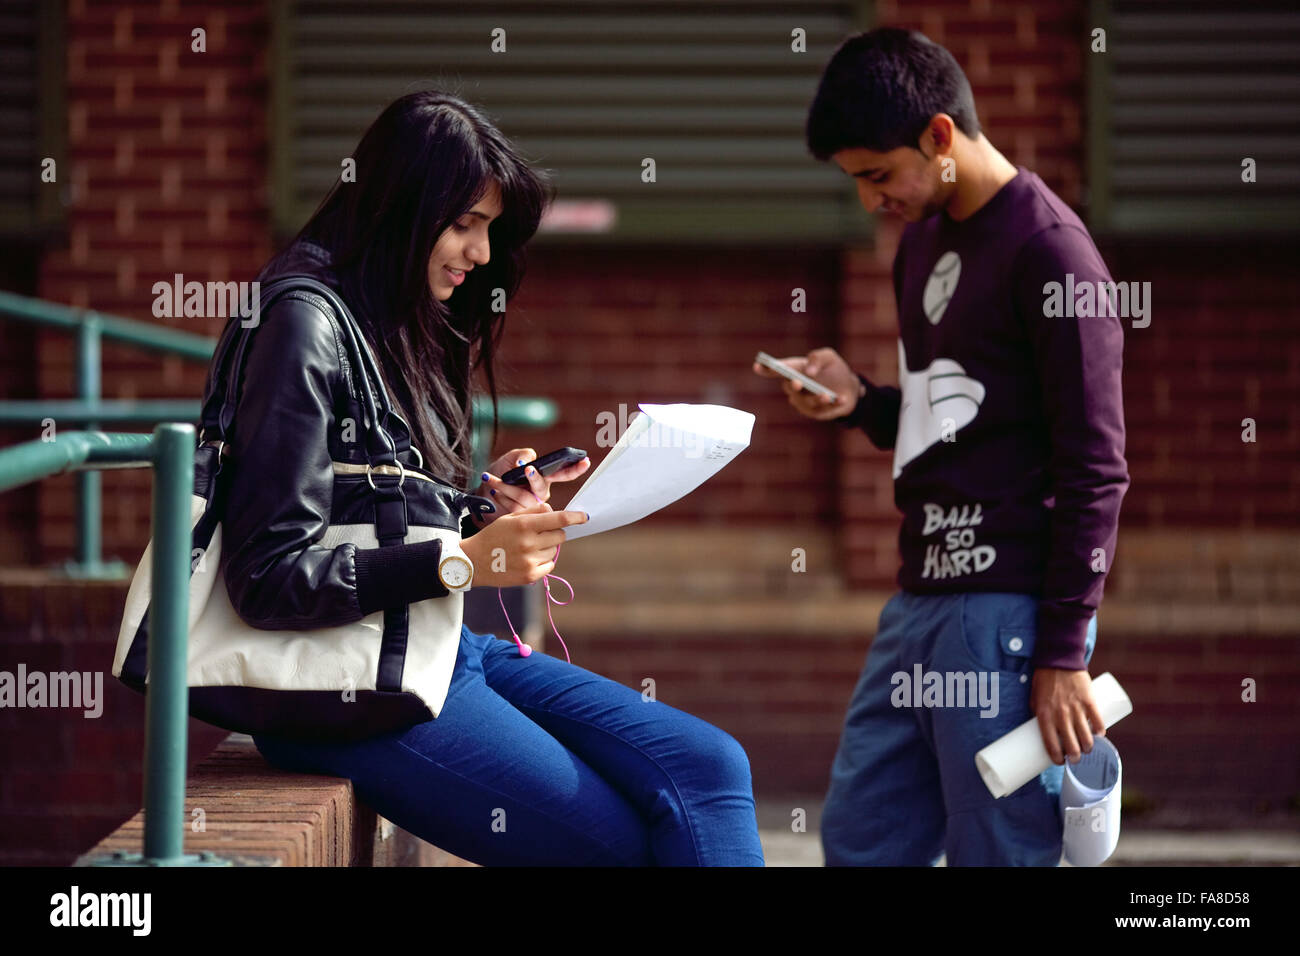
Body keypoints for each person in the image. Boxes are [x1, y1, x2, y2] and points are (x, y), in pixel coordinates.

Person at [228, 90, 764, 866]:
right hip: (351, 691)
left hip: (432, 649)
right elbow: (270, 576)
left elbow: (366, 503)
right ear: (399, 208)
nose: (480, 254)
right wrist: (461, 562)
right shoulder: (301, 325)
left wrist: (478, 511)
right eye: (463, 225)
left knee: (712, 768)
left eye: (486, 229)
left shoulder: (381, 318)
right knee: (626, 844)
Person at [754, 29, 1129, 865]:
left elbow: (1096, 469)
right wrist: (859, 402)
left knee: (1001, 848)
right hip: (916, 601)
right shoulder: (921, 246)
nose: (867, 202)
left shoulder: (1052, 255)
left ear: (939, 135)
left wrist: (1066, 652)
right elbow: (954, 422)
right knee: (862, 838)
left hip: (1008, 613)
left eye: (877, 176)